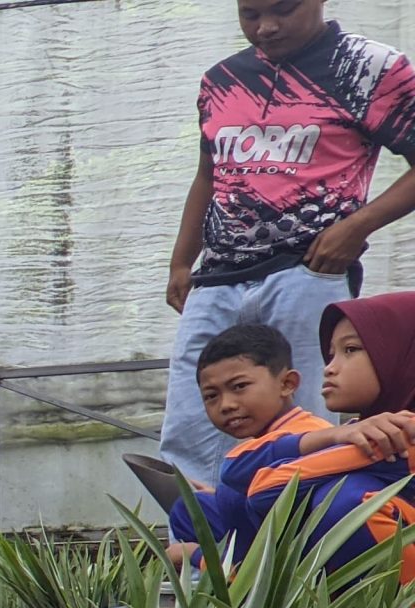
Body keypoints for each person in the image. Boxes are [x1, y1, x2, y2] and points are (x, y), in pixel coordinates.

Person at [161, 0, 415, 484]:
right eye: (250, 14)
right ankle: (200, 534)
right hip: (216, 278)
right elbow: (209, 173)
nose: (266, 27)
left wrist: (355, 228)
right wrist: (181, 261)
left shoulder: (369, 67)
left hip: (306, 271)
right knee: (191, 427)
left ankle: (296, 534)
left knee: (305, 423)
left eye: (282, 10)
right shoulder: (222, 79)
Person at [242, 291, 415, 574]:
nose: (329, 369)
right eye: (331, 354)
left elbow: (264, 490)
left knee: (347, 501)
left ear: (402, 354)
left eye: (351, 350)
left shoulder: (399, 433)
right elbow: (242, 474)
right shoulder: (366, 428)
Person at [164, 322, 329, 565]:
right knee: (191, 507)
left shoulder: (308, 438)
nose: (226, 405)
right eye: (211, 396)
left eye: (239, 387)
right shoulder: (297, 432)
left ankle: (225, 575)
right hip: (268, 543)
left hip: (295, 566)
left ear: (287, 384)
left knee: (224, 496)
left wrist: (196, 556)